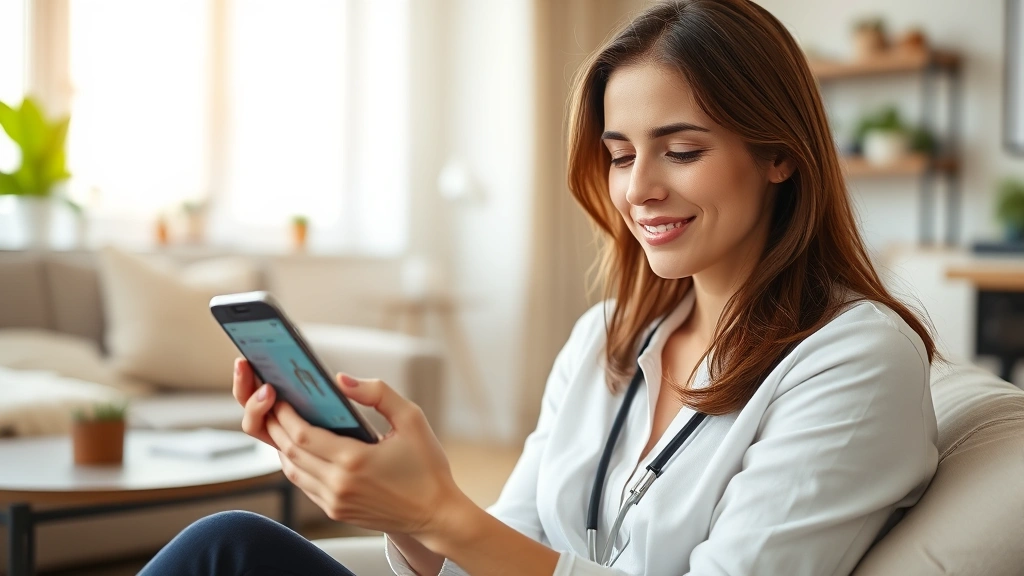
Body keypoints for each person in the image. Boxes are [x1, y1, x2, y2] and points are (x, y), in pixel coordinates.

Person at [139, 0, 939, 574]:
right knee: (230, 544)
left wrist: (437, 511)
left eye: (682, 150)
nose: (639, 190)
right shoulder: (606, 338)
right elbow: (502, 544)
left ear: (780, 155)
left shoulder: (856, 358)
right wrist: (411, 513)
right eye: (622, 155)